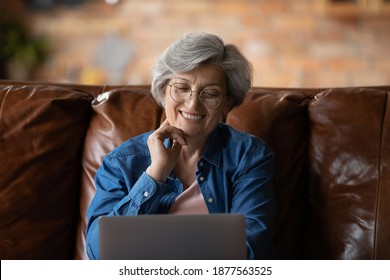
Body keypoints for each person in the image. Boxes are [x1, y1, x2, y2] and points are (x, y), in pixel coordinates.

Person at [86, 32, 276, 260]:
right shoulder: (122, 161)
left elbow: (249, 251)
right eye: (182, 88)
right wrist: (156, 175)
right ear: (164, 91)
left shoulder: (249, 156)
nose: (193, 104)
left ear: (227, 103)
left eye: (211, 94)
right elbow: (99, 254)